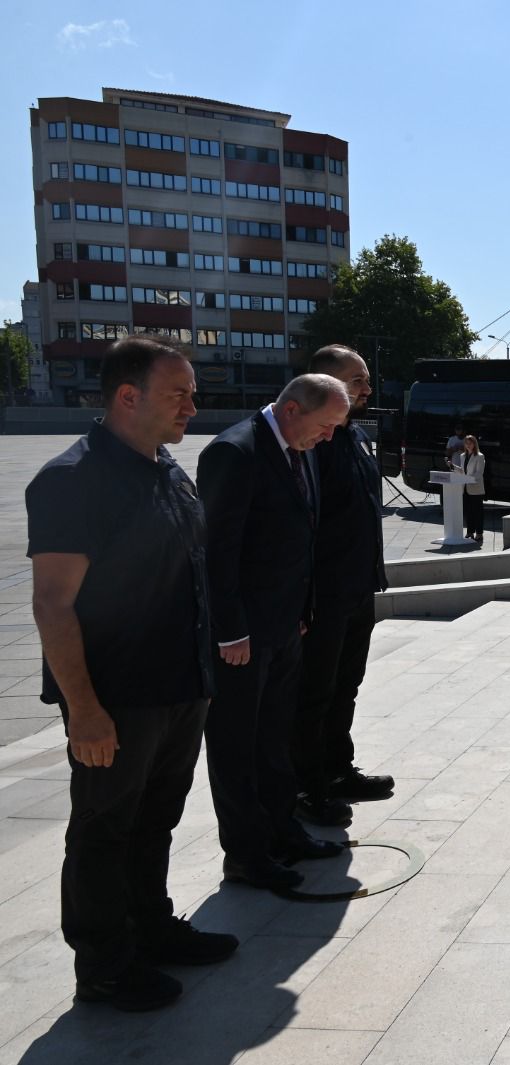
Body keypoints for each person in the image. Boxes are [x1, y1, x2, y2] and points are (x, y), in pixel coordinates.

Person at [27, 335, 237, 1012]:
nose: (193, 405)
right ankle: (105, 964)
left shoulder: (167, 469)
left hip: (179, 687)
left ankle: (150, 928)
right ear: (128, 397)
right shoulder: (73, 480)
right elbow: (53, 602)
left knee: (156, 821)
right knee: (104, 828)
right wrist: (84, 710)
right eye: (179, 393)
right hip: (116, 699)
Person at [200, 373, 350, 891]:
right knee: (237, 745)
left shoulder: (299, 448)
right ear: (292, 410)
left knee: (274, 741)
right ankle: (245, 854)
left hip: (286, 625)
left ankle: (282, 831)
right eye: (326, 425)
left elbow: (299, 537)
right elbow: (216, 552)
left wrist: (303, 610)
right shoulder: (235, 453)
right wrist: (229, 632)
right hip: (242, 638)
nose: (329, 436)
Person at [292, 346, 394, 831]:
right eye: (357, 381)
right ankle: (308, 786)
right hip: (325, 595)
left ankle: (337, 769)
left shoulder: (352, 437)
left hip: (358, 588)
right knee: (315, 692)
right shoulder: (313, 442)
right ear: (323, 381)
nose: (366, 390)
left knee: (345, 687)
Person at [457, 434, 487, 543]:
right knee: (468, 511)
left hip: (476, 489)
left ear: (474, 444)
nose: (468, 445)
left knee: (477, 512)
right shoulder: (462, 456)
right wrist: (453, 467)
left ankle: (479, 534)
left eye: (470, 443)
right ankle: (470, 532)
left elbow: (479, 473)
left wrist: (467, 479)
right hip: (465, 488)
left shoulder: (480, 456)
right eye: (466, 443)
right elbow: (462, 471)